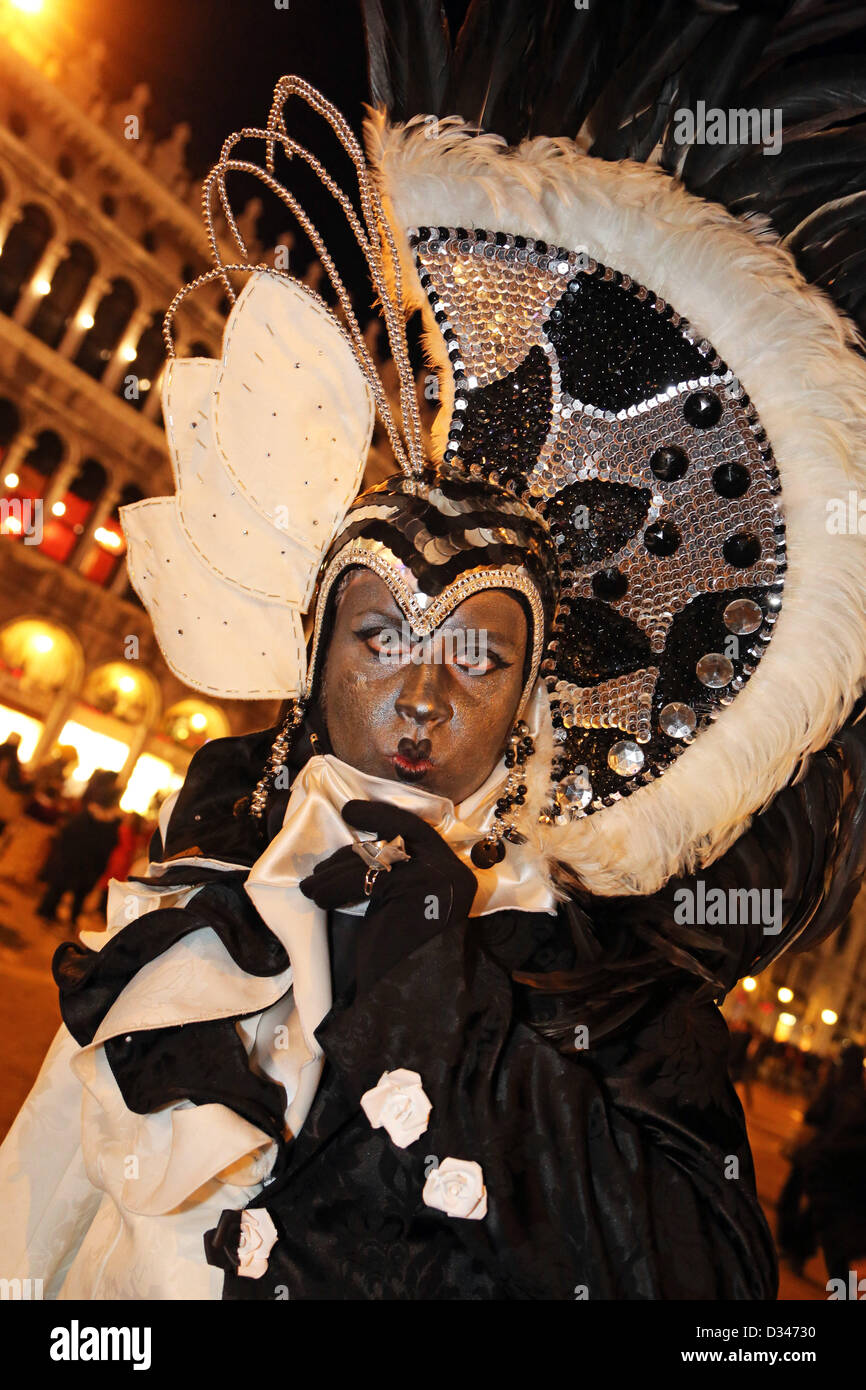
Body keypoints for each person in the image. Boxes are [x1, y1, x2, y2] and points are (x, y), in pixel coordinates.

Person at [3, 2, 866, 1300]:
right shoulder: (200, 892)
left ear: (527, 702)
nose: (420, 686)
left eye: (475, 651)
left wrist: (430, 988)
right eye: (382, 632)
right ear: (312, 657)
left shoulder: (617, 994)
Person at [36, 776, 122, 928]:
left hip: (77, 859)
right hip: (82, 860)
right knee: (69, 889)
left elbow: (68, 832)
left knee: (65, 888)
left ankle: (55, 913)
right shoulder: (108, 821)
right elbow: (109, 844)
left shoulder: (91, 815)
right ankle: (56, 914)